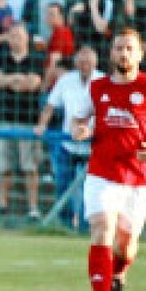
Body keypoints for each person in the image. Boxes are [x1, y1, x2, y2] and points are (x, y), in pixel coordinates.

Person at [70, 28, 146, 291]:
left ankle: (119, 272)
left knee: (126, 244)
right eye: (119, 48)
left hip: (138, 178)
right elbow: (79, 119)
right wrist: (80, 130)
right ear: (111, 53)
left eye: (130, 48)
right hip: (102, 172)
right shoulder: (97, 88)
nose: (124, 53)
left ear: (139, 54)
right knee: (102, 227)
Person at [34, 45, 103, 231]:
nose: (84, 64)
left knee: (92, 188)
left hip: (93, 145)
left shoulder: (103, 80)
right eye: (81, 61)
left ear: (95, 62)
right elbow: (50, 105)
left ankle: (85, 225)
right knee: (63, 184)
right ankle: (65, 225)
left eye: (88, 61)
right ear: (76, 62)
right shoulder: (65, 80)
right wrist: (42, 124)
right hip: (68, 142)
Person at [0, 24, 45, 221]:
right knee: (4, 166)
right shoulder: (1, 57)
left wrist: (8, 80)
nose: (15, 39)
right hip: (4, 120)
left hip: (28, 122)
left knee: (30, 167)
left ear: (26, 38)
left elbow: (33, 83)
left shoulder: (36, 59)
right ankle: (2, 205)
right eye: (11, 36)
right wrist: (17, 79)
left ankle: (33, 208)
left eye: (18, 36)